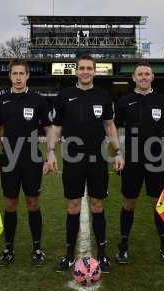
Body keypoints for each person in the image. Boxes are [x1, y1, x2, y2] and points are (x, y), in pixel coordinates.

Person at [48, 54, 124, 273]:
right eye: (81, 68)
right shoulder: (64, 95)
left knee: (97, 205)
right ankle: (69, 255)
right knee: (72, 206)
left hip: (98, 158)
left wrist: (118, 152)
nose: (85, 71)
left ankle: (102, 255)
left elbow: (110, 126)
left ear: (94, 71)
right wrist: (51, 152)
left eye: (89, 68)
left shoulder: (103, 96)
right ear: (76, 71)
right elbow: (56, 126)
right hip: (72, 158)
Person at [114, 62, 164, 265]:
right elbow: (113, 129)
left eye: (147, 74)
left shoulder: (162, 101)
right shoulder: (124, 101)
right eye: (139, 74)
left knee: (158, 204)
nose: (143, 77)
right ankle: (123, 247)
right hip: (131, 160)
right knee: (129, 202)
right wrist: (117, 153)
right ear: (133, 78)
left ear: (152, 77)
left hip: (156, 161)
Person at [0, 59, 52, 267]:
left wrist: (50, 154)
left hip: (32, 158)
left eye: (21, 74)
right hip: (9, 158)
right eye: (14, 73)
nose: (18, 77)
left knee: (33, 203)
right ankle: (9, 248)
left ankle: (36, 249)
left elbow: (49, 128)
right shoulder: (1, 101)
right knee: (10, 203)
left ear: (27, 76)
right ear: (10, 76)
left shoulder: (38, 100)